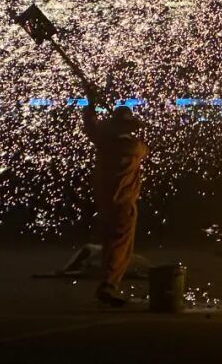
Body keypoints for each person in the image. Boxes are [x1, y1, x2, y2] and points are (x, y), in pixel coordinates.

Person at [82, 81, 149, 307]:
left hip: (104, 202)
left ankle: (107, 283)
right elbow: (144, 147)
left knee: (109, 245)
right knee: (119, 247)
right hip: (123, 204)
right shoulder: (134, 148)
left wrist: (91, 102)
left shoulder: (103, 142)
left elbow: (91, 125)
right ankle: (108, 286)